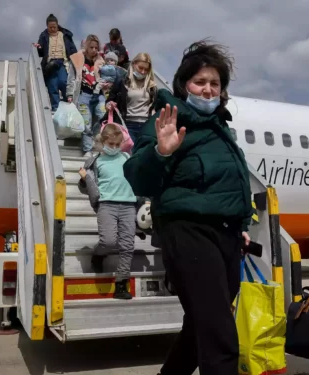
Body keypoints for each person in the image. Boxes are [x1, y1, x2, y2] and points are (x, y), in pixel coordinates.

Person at [123, 41, 253, 375]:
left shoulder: (221, 130)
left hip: (226, 237)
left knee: (199, 327)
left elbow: (233, 185)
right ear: (184, 86)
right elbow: (137, 178)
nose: (208, 90)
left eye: (215, 84)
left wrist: (241, 226)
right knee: (220, 334)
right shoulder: (168, 120)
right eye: (200, 82)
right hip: (188, 232)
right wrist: (161, 152)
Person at [77, 123, 136, 300]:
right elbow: (86, 187)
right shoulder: (96, 161)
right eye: (111, 144)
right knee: (108, 241)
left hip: (128, 205)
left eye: (118, 144)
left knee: (127, 246)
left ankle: (121, 284)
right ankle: (98, 254)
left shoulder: (126, 157)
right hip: (106, 205)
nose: (115, 148)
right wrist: (84, 179)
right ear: (103, 142)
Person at [67, 34, 107, 154]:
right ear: (87, 47)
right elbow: (71, 78)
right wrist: (69, 94)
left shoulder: (101, 62)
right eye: (91, 47)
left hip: (98, 94)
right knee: (86, 123)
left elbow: (107, 77)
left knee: (103, 117)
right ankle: (87, 150)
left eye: (96, 48)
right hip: (84, 94)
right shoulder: (77, 59)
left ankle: (97, 142)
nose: (94, 50)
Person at [107, 52, 157, 144]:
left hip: (146, 126)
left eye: (146, 70)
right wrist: (109, 104)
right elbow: (110, 98)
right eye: (140, 68)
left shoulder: (152, 85)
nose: (143, 72)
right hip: (127, 125)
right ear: (134, 64)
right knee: (129, 153)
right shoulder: (122, 81)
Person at [34, 14, 78, 112]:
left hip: (62, 62)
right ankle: (55, 108)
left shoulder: (65, 35)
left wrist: (75, 59)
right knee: (52, 85)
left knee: (63, 82)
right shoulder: (44, 36)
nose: (53, 29)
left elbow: (72, 48)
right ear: (47, 27)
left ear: (58, 25)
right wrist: (38, 47)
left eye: (55, 27)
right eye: (50, 27)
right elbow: (40, 52)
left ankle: (68, 103)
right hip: (50, 64)